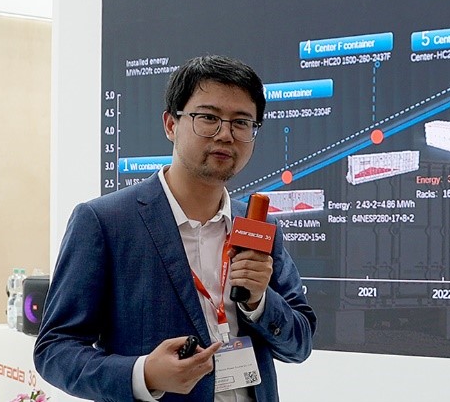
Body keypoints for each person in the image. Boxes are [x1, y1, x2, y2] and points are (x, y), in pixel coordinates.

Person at [35, 55, 315, 402]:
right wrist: (144, 374)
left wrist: (259, 301)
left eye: (241, 122)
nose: (225, 134)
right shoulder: (105, 222)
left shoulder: (258, 226)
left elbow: (299, 344)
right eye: (208, 118)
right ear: (171, 124)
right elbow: (55, 350)